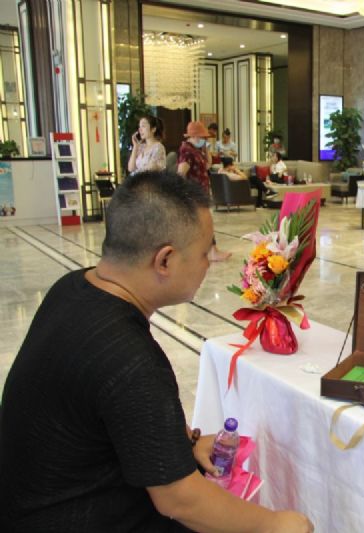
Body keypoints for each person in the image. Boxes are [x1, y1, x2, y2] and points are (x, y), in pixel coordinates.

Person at [0, 171, 314, 533]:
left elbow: (110, 412)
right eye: (204, 251)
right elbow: (180, 499)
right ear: (164, 261)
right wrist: (275, 524)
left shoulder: (72, 287)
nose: (210, 261)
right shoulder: (129, 359)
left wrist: (185, 443)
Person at [177, 121, 231, 262]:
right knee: (202, 222)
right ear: (194, 136)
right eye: (203, 138)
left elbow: (208, 164)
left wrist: (206, 149)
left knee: (201, 223)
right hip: (194, 194)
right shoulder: (187, 150)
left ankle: (210, 251)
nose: (205, 140)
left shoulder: (196, 149)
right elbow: (181, 172)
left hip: (201, 192)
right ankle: (208, 252)